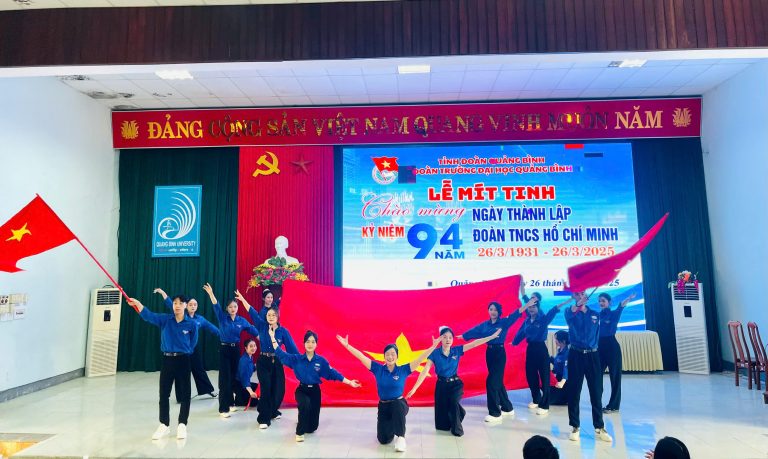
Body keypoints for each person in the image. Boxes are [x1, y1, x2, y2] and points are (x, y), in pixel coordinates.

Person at [336, 334, 440, 453]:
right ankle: (392, 424)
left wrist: (433, 347)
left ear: (397, 356)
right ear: (384, 356)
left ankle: (401, 437)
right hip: (384, 406)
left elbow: (420, 358)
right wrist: (347, 346)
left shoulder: (403, 369)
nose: (390, 357)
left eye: (393, 354)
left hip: (399, 404)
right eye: (387, 354)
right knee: (383, 440)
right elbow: (361, 356)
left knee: (396, 404)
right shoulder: (378, 369)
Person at [405, 326, 501, 436]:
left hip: (455, 384)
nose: (448, 340)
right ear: (440, 339)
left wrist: (491, 337)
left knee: (454, 402)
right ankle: (460, 413)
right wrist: (415, 388)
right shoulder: (434, 353)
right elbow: (425, 370)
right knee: (442, 426)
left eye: (450, 337)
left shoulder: (456, 350)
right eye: (445, 337)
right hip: (441, 385)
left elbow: (474, 344)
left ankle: (457, 430)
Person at [270, 328, 361, 442]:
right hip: (302, 390)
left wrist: (349, 382)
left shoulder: (321, 361)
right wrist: (272, 337)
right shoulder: (297, 359)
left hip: (315, 392)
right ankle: (299, 433)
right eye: (308, 341)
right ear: (304, 343)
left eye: (313, 342)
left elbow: (333, 373)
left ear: (316, 344)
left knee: (312, 428)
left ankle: (304, 420)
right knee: (304, 404)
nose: (310, 344)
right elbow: (281, 354)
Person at [128, 296, 198, 441]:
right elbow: (149, 316)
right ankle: (164, 424)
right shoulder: (165, 319)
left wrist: (185, 351)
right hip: (167, 360)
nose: (177, 305)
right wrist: (139, 304)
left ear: (185, 306)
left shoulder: (191, 324)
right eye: (175, 303)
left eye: (180, 303)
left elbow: (193, 342)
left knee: (185, 394)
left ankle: (182, 424)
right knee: (164, 394)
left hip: (184, 360)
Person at [457, 291, 533, 423]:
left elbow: (516, 314)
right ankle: (507, 408)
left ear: (499, 312)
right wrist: (463, 336)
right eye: (491, 309)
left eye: (495, 310)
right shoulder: (485, 325)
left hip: (499, 354)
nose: (493, 312)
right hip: (489, 353)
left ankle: (495, 413)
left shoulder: (504, 322)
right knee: (498, 381)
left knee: (491, 382)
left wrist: (527, 305)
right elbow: (475, 330)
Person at [239, 292, 300, 429]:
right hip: (263, 362)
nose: (271, 317)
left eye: (273, 315)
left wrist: (302, 362)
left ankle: (272, 410)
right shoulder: (262, 326)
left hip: (277, 362)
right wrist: (242, 300)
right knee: (266, 389)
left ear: (277, 316)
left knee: (279, 390)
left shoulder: (283, 332)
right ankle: (263, 418)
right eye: (269, 315)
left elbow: (293, 350)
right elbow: (252, 312)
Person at [203, 283, 260, 418]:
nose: (233, 309)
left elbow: (253, 330)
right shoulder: (223, 318)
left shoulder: (241, 320)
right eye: (230, 307)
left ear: (237, 308)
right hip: (224, 350)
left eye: (235, 306)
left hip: (236, 350)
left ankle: (231, 403)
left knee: (234, 378)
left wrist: (263, 340)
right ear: (227, 309)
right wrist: (211, 294)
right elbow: (216, 305)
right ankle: (223, 409)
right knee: (225, 379)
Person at [564, 290, 612, 443]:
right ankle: (575, 426)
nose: (581, 296)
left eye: (583, 293)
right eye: (578, 294)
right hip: (576, 355)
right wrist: (578, 305)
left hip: (593, 356)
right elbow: (571, 315)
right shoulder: (570, 312)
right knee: (574, 391)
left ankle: (599, 427)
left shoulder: (595, 314)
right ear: (574, 296)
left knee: (596, 392)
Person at [154, 287, 218, 401]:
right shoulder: (181, 315)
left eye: (195, 304)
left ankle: (207, 390)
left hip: (193, 348)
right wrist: (163, 293)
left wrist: (223, 335)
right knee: (180, 373)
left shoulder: (200, 319)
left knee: (199, 369)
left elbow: (212, 328)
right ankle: (181, 397)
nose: (193, 306)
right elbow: (170, 303)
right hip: (181, 349)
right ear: (185, 306)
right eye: (190, 304)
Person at [512, 295, 572, 415]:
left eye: (534, 307)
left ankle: (544, 405)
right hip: (530, 349)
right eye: (530, 307)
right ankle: (536, 399)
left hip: (541, 349)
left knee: (544, 377)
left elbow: (553, 310)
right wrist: (512, 343)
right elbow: (520, 335)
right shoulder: (526, 321)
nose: (531, 309)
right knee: (531, 375)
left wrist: (568, 301)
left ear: (538, 308)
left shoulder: (543, 319)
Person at [598, 292, 636, 413]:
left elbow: (621, 305)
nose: (601, 303)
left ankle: (613, 406)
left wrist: (629, 298)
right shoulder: (597, 316)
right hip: (599, 348)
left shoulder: (614, 314)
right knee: (596, 376)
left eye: (603, 300)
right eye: (599, 301)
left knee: (615, 377)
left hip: (612, 347)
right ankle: (597, 402)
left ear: (609, 302)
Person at [235, 338, 259, 409]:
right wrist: (251, 392)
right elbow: (244, 380)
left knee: (259, 387)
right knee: (254, 403)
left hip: (244, 383)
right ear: (246, 348)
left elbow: (253, 368)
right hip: (240, 385)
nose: (253, 348)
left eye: (254, 345)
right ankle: (239, 399)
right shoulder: (244, 361)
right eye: (251, 346)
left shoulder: (250, 357)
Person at [549, 330, 569, 406]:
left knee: (549, 400)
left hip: (565, 382)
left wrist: (562, 382)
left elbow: (566, 367)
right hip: (558, 377)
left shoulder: (567, 352)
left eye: (556, 339)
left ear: (563, 341)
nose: (555, 341)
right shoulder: (559, 350)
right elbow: (557, 363)